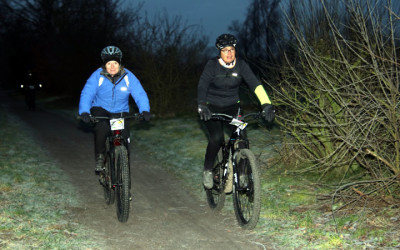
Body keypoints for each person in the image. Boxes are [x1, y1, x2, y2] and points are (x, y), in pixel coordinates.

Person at [197, 34, 275, 191]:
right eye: (225, 50)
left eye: (231, 50)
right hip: (212, 109)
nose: (229, 53)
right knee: (217, 138)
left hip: (233, 108)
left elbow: (255, 84)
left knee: (241, 135)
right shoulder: (212, 65)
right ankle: (207, 170)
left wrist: (267, 104)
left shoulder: (241, 65)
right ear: (219, 51)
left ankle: (243, 172)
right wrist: (202, 105)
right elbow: (202, 85)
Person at [79, 45, 151, 172]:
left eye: (115, 63)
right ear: (105, 65)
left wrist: (144, 110)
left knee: (124, 137)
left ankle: (124, 167)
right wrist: (84, 111)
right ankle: (100, 157)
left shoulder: (128, 76)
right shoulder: (97, 76)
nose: (112, 66)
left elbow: (139, 93)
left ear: (119, 63)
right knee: (102, 128)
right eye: (109, 63)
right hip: (101, 109)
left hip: (121, 111)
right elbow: (87, 93)